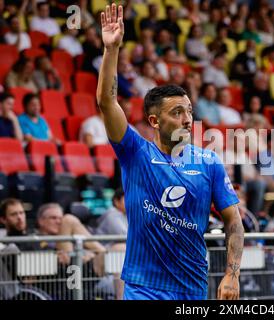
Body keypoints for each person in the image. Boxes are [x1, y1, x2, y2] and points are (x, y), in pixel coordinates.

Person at [96, 4, 243, 300]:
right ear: (154, 121)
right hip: (142, 287)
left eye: (188, 111)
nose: (187, 119)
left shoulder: (208, 162)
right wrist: (112, 50)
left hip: (192, 289)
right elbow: (107, 102)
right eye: (177, 112)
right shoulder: (135, 153)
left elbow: (234, 221)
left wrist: (232, 273)